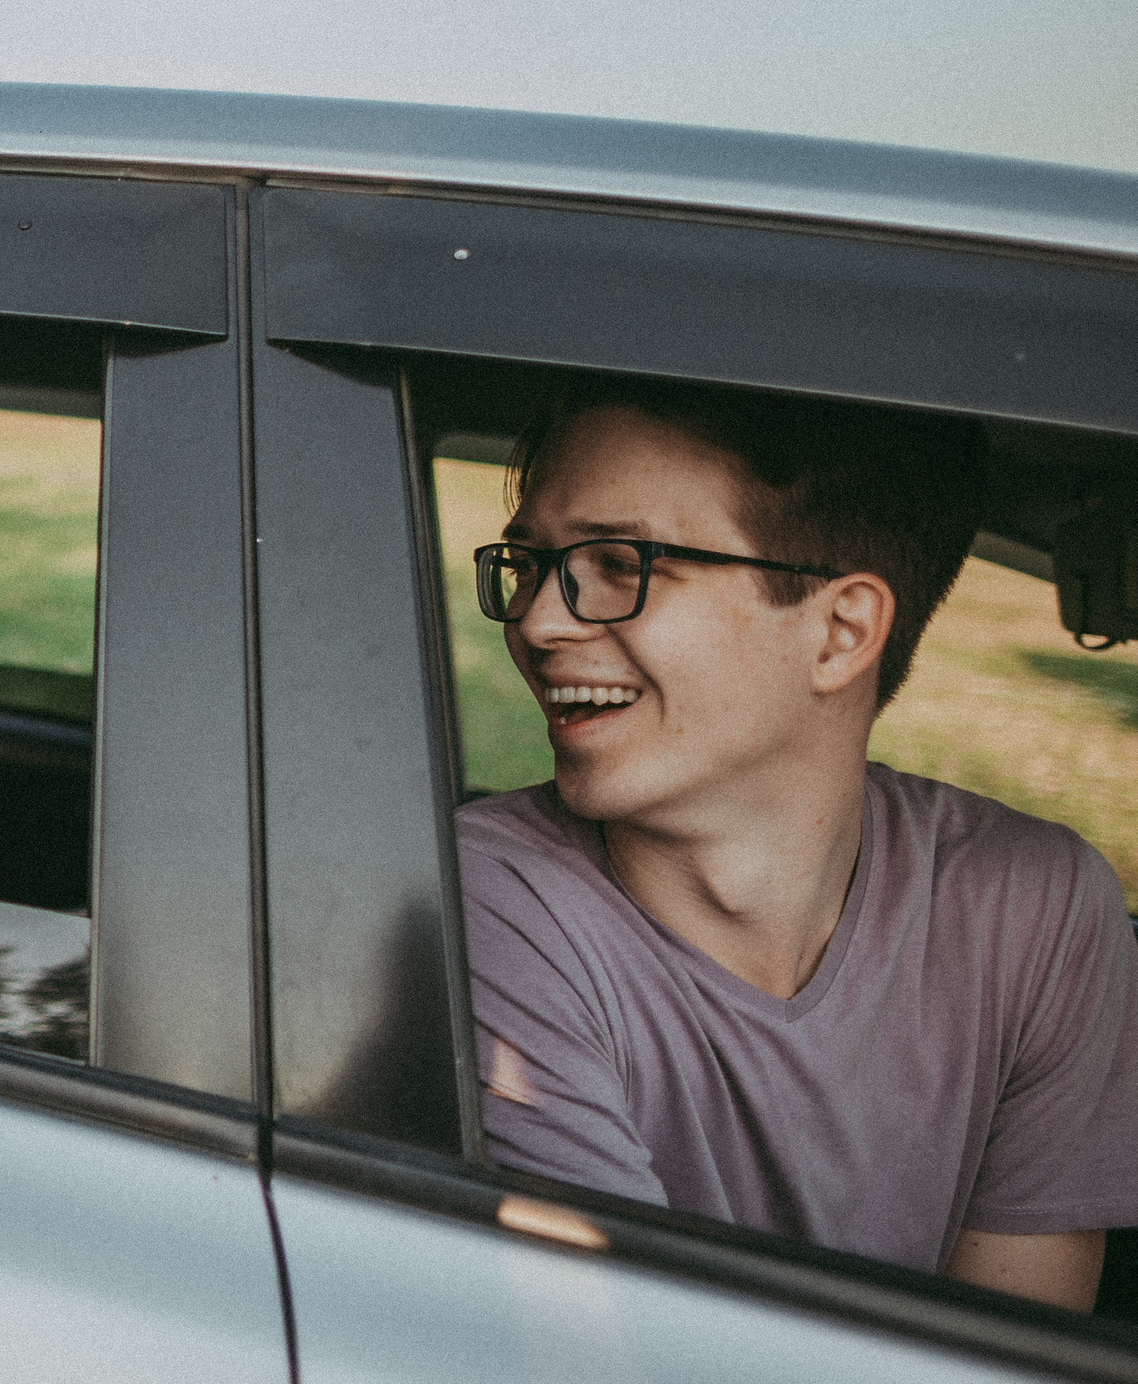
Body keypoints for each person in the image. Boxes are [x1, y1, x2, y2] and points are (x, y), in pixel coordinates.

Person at [462, 381, 1138, 1312]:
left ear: (840, 631)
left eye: (621, 563)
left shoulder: (1034, 910)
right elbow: (616, 1347)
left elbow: (1015, 1352)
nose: (538, 622)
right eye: (530, 563)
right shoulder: (492, 900)